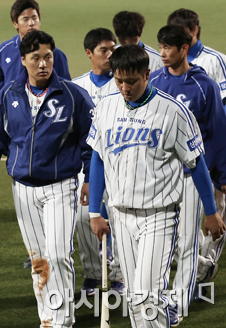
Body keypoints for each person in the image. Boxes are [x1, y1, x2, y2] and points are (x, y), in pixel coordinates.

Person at [88, 44, 225, 328]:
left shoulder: (172, 111)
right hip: (119, 216)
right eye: (119, 80)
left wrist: (211, 212)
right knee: (136, 301)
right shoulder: (106, 107)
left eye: (132, 81)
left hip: (159, 216)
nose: (125, 87)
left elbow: (196, 163)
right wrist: (93, 212)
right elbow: (98, 157)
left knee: (146, 296)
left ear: (147, 74)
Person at [0, 30, 94, 327]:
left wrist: (90, 179)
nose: (43, 63)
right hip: (23, 190)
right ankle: (48, 319)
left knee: (57, 254)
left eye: (48, 57)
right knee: (38, 259)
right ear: (23, 60)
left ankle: (64, 320)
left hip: (61, 187)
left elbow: (91, 142)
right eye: (36, 58)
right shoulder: (9, 95)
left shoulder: (73, 96)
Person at [150, 26, 226, 319]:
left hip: (194, 175)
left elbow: (218, 133)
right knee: (165, 242)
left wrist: (222, 176)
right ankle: (200, 268)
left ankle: (178, 306)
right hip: (161, 177)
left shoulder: (203, 85)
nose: (164, 53)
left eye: (169, 48)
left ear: (185, 48)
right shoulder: (154, 81)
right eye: (160, 47)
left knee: (188, 242)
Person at [167, 8, 226, 300]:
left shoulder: (215, 64)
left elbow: (221, 119)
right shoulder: (161, 73)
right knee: (183, 234)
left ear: (194, 32)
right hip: (173, 168)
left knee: (211, 221)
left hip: (209, 157)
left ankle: (202, 273)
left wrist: (222, 168)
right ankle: (200, 269)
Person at [72, 28, 124, 296]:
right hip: (88, 164)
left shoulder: (124, 82)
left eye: (113, 49)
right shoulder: (77, 86)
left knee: (117, 216)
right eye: (104, 50)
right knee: (84, 218)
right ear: (89, 53)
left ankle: (118, 275)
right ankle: (93, 274)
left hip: (121, 162)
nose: (110, 54)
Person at [0, 0, 71, 93]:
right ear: (15, 23)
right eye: (25, 19)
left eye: (34, 18)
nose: (31, 23)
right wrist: (7, 96)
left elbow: (65, 86)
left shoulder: (54, 53)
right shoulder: (4, 50)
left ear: (39, 21)